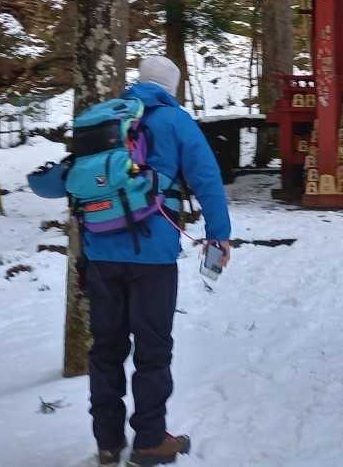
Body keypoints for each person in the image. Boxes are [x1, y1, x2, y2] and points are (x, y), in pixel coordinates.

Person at [82, 55, 232, 467]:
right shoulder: (175, 121)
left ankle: (108, 442)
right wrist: (218, 235)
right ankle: (149, 440)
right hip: (152, 254)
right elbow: (206, 179)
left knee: (105, 348)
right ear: (171, 87)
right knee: (152, 348)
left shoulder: (105, 117)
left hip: (99, 250)